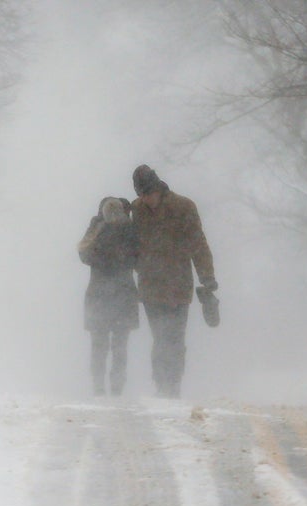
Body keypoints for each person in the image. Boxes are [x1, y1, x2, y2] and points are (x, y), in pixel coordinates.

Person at [131, 164, 217, 397]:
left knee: (175, 338)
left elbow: (198, 245)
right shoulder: (136, 210)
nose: (146, 199)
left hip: (178, 284)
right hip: (150, 286)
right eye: (141, 195)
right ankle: (161, 384)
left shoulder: (183, 207)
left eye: (148, 193)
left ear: (158, 188)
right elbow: (130, 244)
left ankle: (174, 384)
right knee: (160, 336)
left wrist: (207, 277)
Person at [78, 197, 139, 396]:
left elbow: (84, 253)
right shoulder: (128, 229)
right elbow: (137, 257)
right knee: (117, 344)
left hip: (100, 293)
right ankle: (114, 387)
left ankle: (102, 387)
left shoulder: (99, 228)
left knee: (101, 344)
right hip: (121, 293)